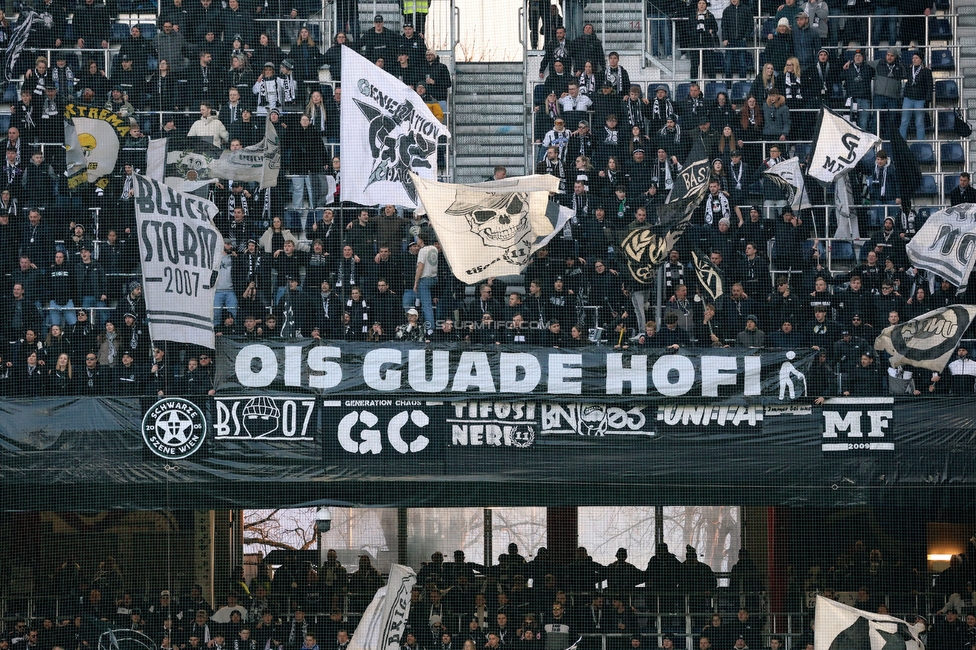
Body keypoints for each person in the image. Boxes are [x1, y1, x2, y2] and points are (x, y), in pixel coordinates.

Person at [900, 51, 933, 141]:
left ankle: (920, 143)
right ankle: (901, 142)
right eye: (913, 58)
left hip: (920, 100)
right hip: (908, 98)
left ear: (921, 60)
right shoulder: (909, 69)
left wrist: (927, 100)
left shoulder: (926, 71)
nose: (914, 60)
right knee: (904, 121)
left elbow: (930, 86)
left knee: (919, 122)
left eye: (916, 58)